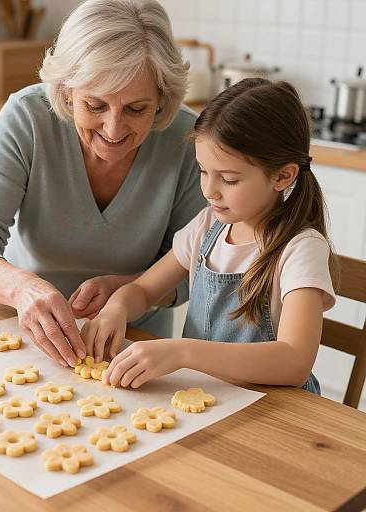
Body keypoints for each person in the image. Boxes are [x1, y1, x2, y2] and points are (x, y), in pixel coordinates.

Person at [0, 0, 206, 368]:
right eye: (95, 105)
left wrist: (131, 291)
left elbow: (200, 268)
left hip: (135, 347)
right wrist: (23, 289)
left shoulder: (188, 140)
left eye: (136, 109)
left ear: (162, 98)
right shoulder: (28, 118)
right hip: (25, 335)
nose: (113, 130)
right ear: (67, 91)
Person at [81, 78, 337, 394]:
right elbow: (144, 291)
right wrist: (116, 308)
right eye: (203, 171)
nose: (208, 190)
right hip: (208, 399)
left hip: (275, 415)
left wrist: (182, 352)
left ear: (282, 176)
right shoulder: (207, 228)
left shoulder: (300, 249)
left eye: (228, 179)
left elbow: (294, 362)